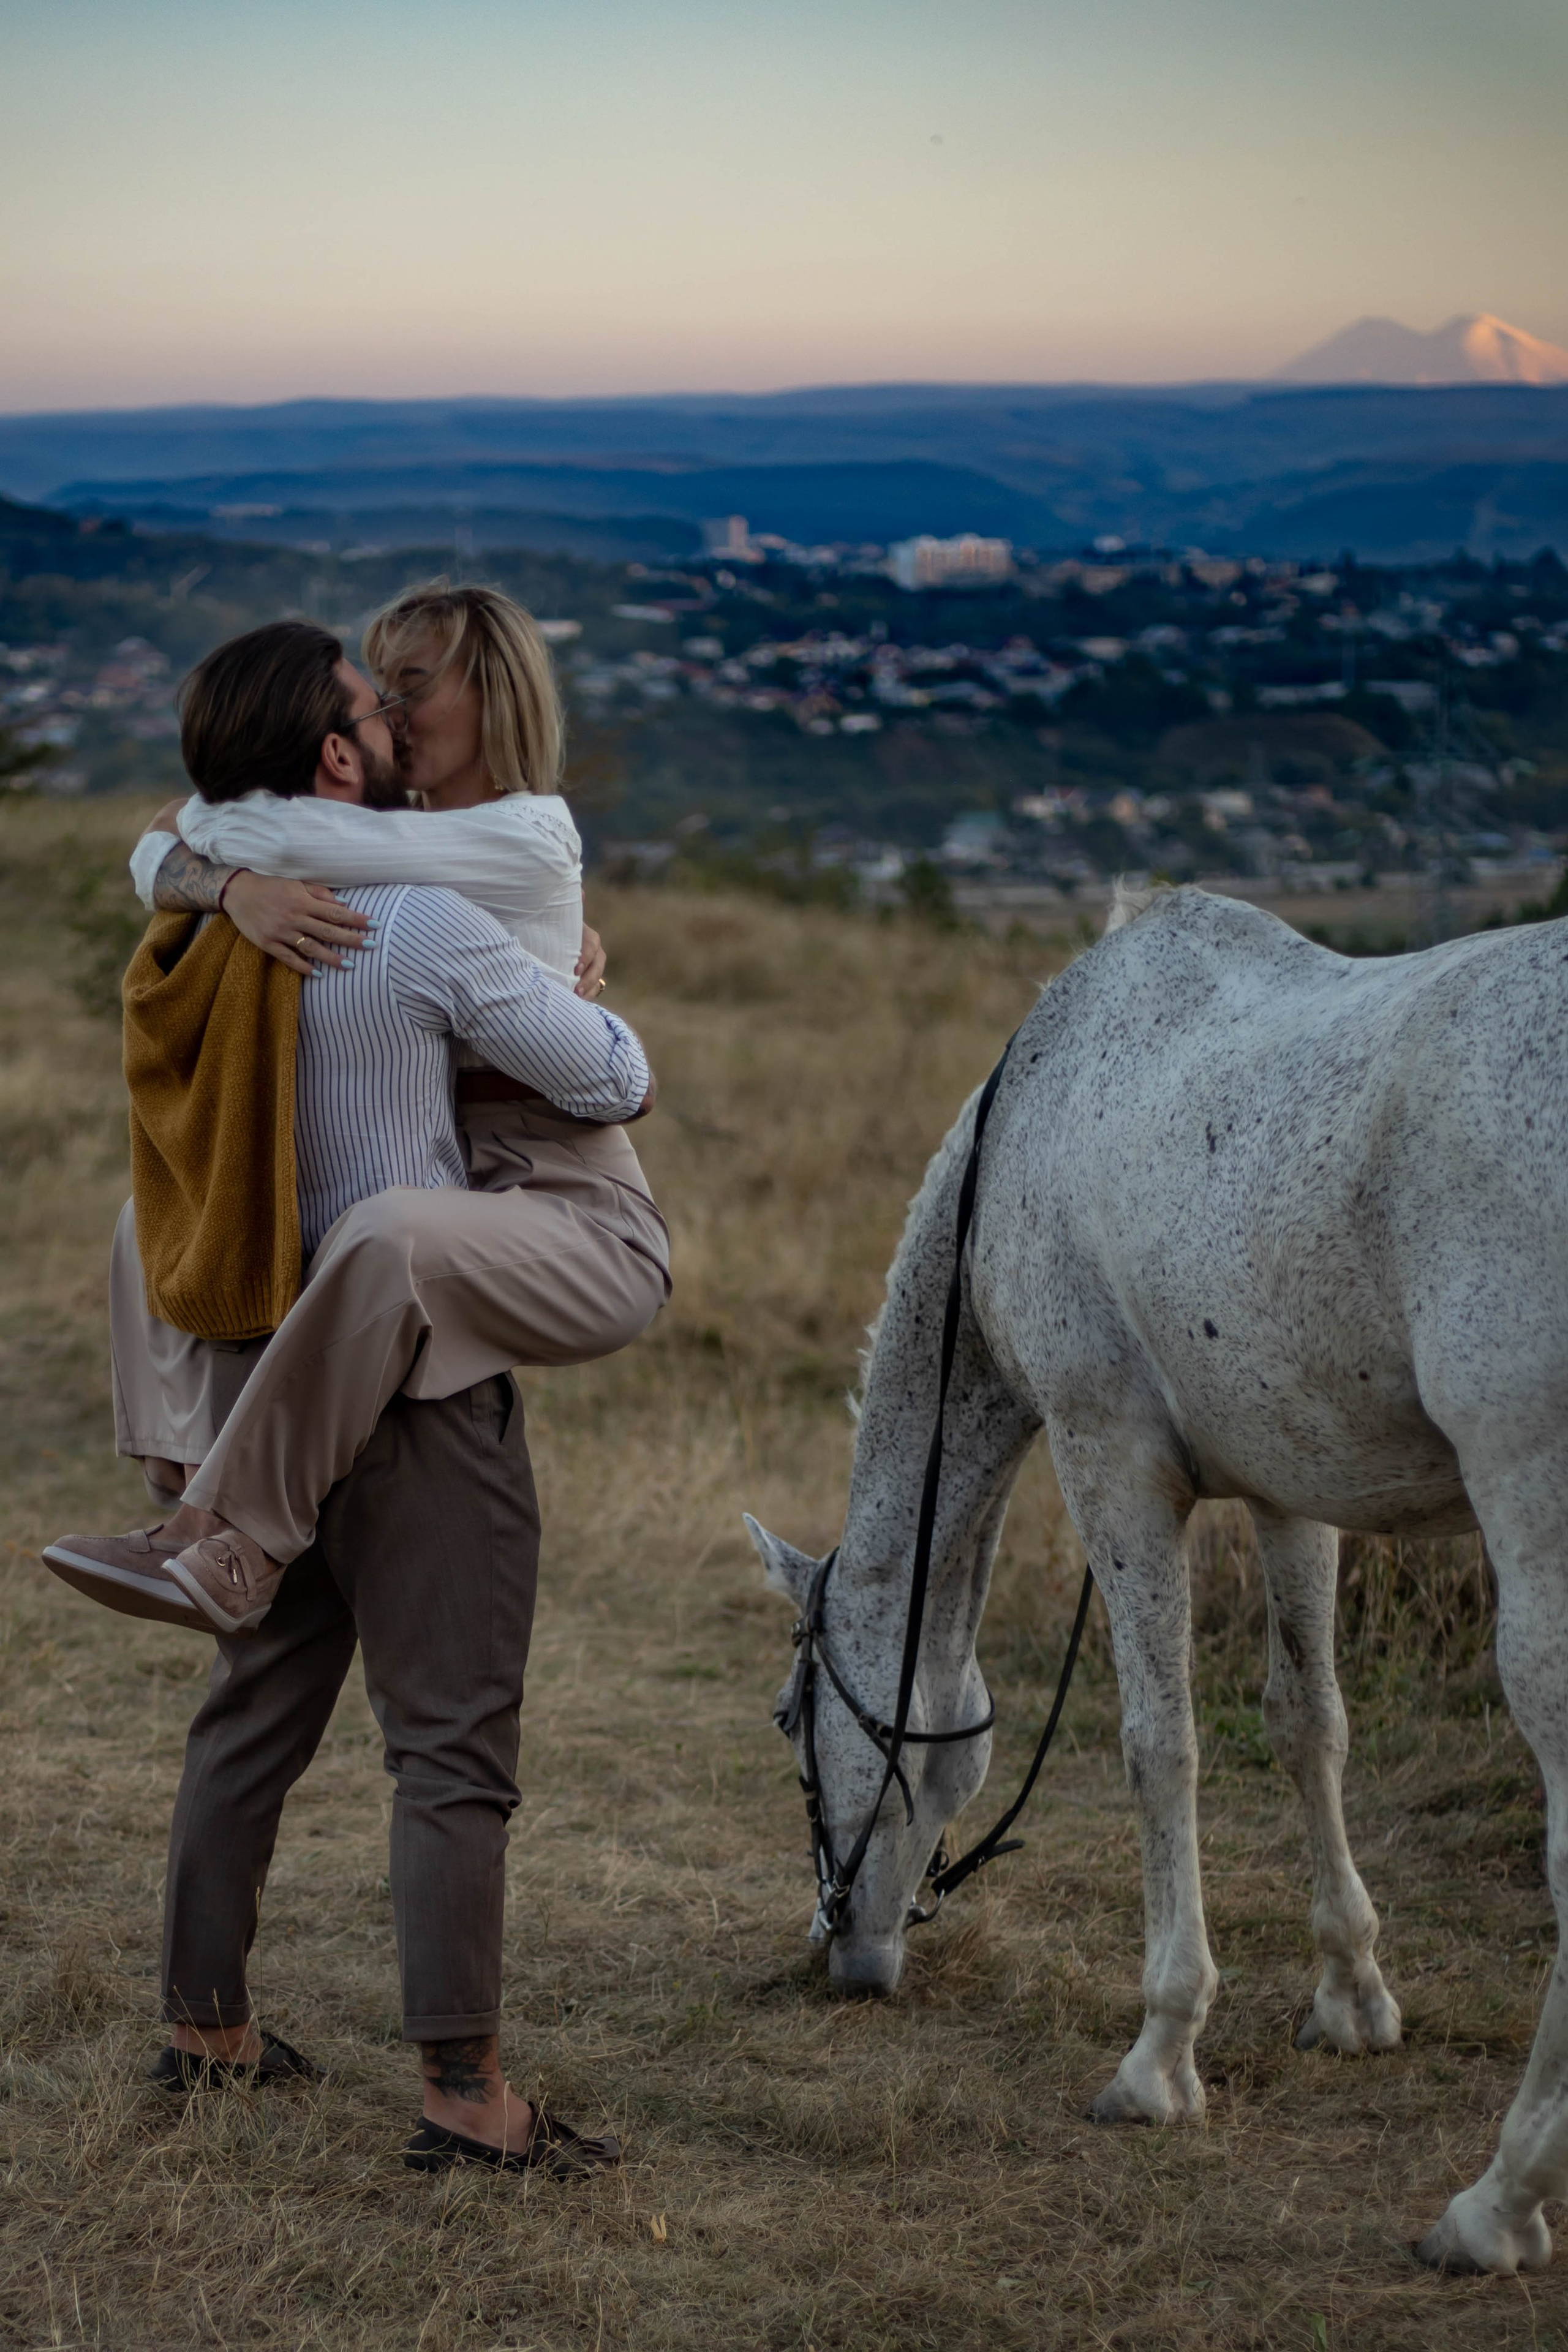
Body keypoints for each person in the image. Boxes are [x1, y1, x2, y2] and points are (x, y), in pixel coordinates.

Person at [48, 627, 635, 2171]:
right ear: (332, 758)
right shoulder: (423, 924)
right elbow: (601, 1085)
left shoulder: (195, 940)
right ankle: (465, 2097)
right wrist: (589, 991)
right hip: (416, 1392)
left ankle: (206, 2026)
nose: (389, 734)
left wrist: (217, 879)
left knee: (252, 1704)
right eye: (373, 715)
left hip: (256, 1374)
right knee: (448, 1744)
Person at [50, 595, 670, 1635]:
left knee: (388, 1235)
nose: (395, 705)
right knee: (163, 1197)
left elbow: (195, 830)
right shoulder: (405, 837)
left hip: (553, 1162)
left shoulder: (526, 834)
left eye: (418, 683)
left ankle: (230, 1532)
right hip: (463, 1178)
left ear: (496, 694)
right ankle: (184, 1475)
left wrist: (227, 875)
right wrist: (232, 885)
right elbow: (175, 836)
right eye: (384, 684)